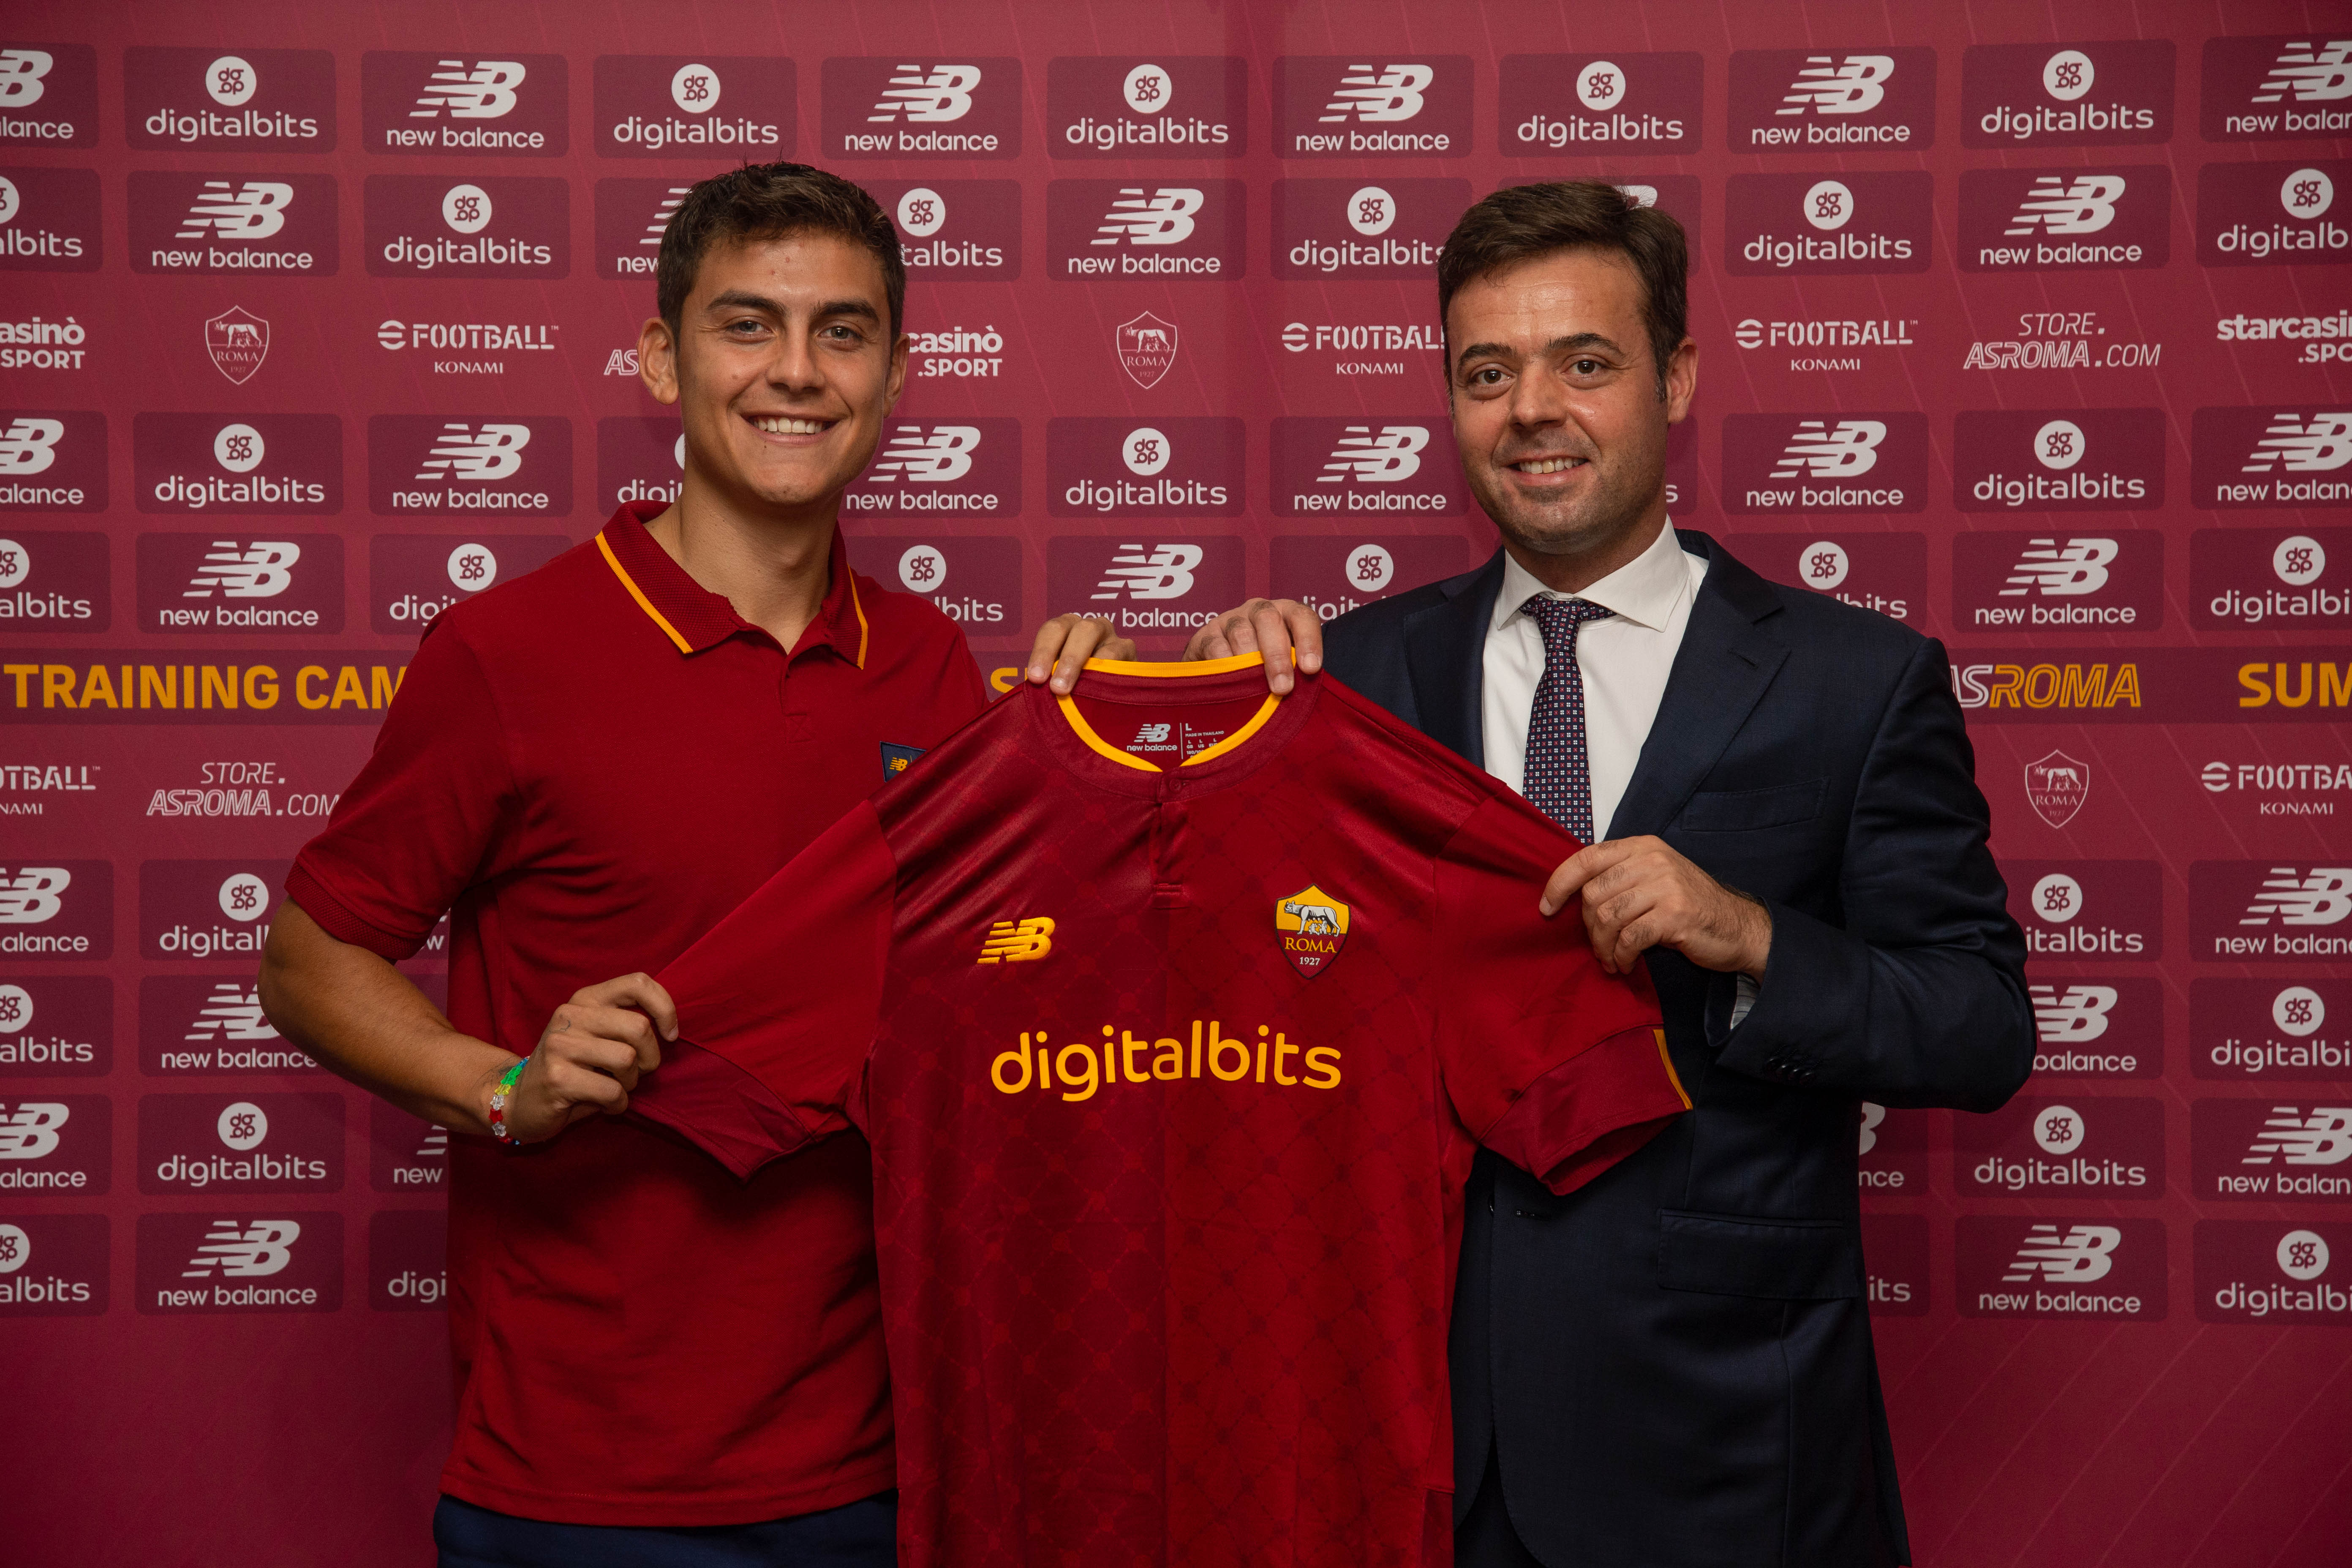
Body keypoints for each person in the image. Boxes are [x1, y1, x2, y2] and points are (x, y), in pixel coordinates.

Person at [256, 162, 1259, 1567]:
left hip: (882, 1459)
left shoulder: (929, 667)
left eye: (843, 332)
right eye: (749, 325)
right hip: (580, 1478)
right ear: (665, 356)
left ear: (898, 372)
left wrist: (1152, 723)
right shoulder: (507, 653)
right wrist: (500, 1086)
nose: (797, 372)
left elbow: (1042, 987)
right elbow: (306, 956)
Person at [1189, 182, 2033, 1567]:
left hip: (1728, 1444)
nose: (1533, 409)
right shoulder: (1345, 677)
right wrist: (1227, 723)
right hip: (1408, 1441)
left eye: (1585, 363)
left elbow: (1982, 1024)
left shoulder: (1856, 681)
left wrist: (1754, 934)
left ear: (1676, 377)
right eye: (1488, 372)